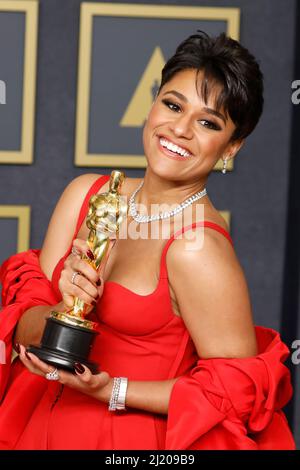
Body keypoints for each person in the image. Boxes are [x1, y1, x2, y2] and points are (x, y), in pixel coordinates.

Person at [0, 31, 296, 450]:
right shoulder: (86, 195)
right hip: (36, 426)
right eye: (173, 105)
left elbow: (233, 392)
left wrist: (111, 390)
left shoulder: (200, 249)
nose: (179, 129)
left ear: (232, 146)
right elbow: (23, 326)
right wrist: (60, 307)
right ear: (153, 104)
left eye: (208, 122)